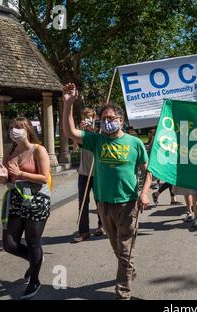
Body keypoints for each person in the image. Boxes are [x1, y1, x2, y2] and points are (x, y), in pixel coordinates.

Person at [62, 83, 152, 300]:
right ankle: (129, 270)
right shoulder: (97, 140)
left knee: (124, 250)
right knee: (117, 248)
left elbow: (148, 171)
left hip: (128, 204)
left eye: (111, 118)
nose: (107, 121)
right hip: (103, 204)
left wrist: (145, 192)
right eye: (104, 119)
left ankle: (123, 293)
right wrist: (68, 104)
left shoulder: (135, 143)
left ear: (121, 120)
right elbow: (70, 131)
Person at [0, 117, 51, 300]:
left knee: (32, 241)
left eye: (17, 127)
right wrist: (2, 176)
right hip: (16, 199)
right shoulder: (11, 150)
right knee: (9, 244)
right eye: (11, 127)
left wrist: (20, 173)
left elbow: (44, 178)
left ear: (27, 130)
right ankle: (35, 260)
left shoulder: (38, 150)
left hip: (37, 200)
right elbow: (7, 180)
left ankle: (35, 280)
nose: (13, 130)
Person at [73, 108, 104, 243]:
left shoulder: (100, 131)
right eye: (85, 116)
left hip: (97, 172)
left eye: (89, 116)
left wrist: (92, 130)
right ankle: (84, 231)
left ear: (94, 117)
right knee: (83, 202)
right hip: (84, 172)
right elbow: (76, 145)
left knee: (100, 201)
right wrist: (81, 131)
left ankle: (102, 225)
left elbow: (102, 144)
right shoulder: (79, 132)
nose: (87, 118)